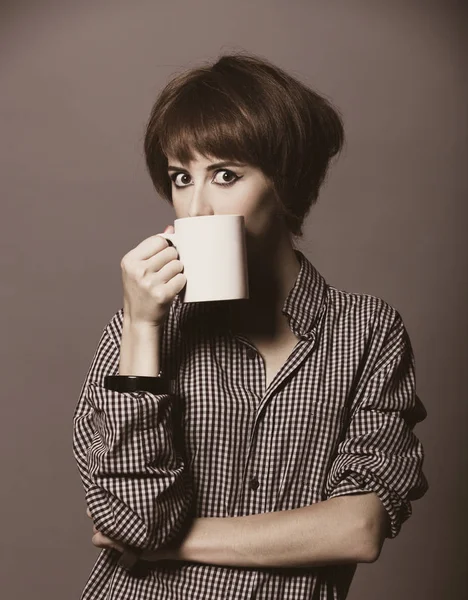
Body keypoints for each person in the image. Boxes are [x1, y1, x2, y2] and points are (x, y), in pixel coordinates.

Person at [73, 51, 428, 600]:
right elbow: (134, 519)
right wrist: (143, 330)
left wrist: (167, 544)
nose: (197, 208)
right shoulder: (140, 328)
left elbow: (358, 528)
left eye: (226, 175)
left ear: (286, 184)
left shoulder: (368, 332)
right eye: (180, 177)